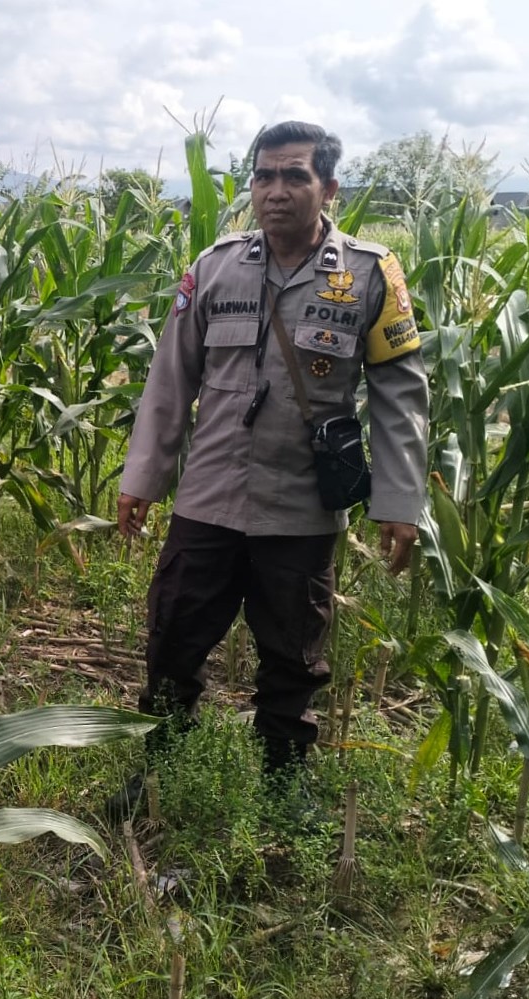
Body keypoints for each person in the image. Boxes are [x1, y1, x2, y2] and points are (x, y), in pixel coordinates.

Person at [109, 122, 428, 821]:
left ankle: (284, 782)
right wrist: (142, 479)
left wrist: (400, 501)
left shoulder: (370, 276)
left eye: (293, 177)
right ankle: (158, 771)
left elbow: (398, 394)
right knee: (173, 639)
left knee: (292, 655)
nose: (274, 191)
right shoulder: (216, 266)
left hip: (300, 506)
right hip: (209, 498)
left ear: (327, 188)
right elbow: (170, 381)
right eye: (263, 176)